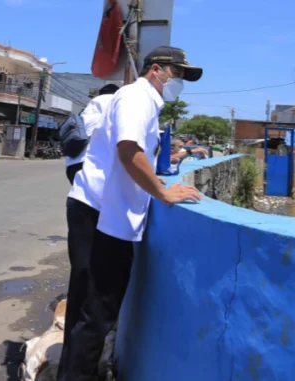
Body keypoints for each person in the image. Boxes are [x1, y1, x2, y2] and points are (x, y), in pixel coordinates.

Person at [57, 45, 203, 381]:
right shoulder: (137, 98)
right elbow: (129, 151)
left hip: (96, 210)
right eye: (177, 73)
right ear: (156, 69)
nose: (178, 81)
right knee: (96, 313)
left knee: (84, 311)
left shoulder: (141, 100)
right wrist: (163, 192)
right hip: (101, 215)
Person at [65, 83, 120, 184]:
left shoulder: (84, 113)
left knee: (79, 197)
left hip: (72, 166)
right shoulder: (115, 105)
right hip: (94, 166)